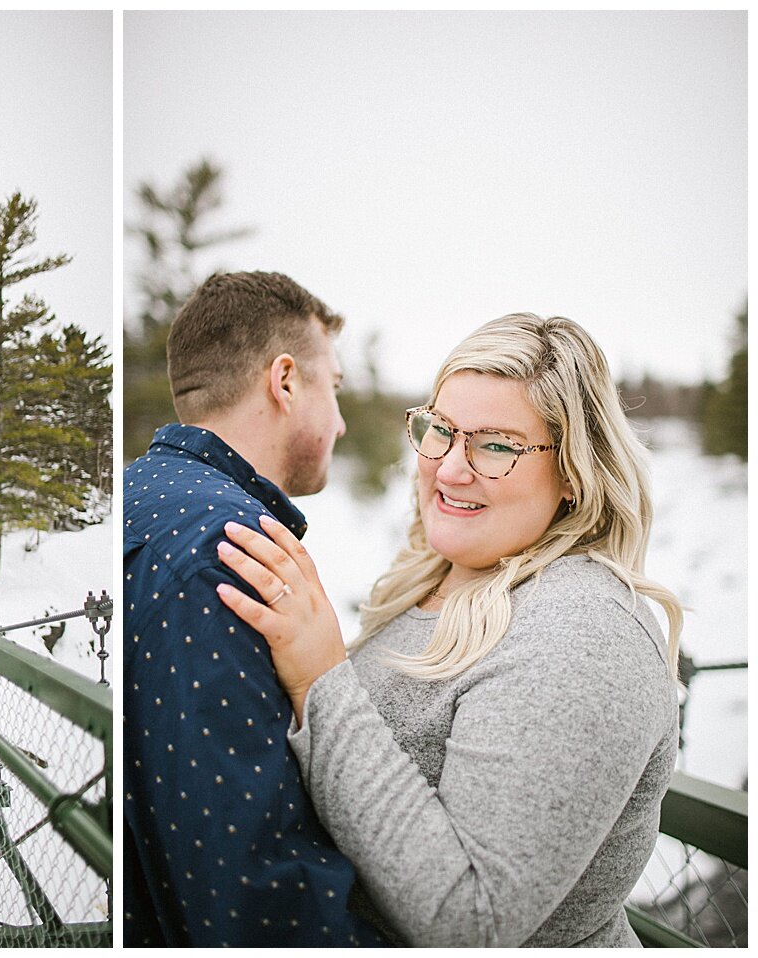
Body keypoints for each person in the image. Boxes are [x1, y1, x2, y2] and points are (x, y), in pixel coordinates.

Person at [217, 313, 682, 946]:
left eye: (495, 446)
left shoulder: (581, 633)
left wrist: (321, 678)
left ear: (573, 472)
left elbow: (473, 921)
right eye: (440, 431)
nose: (450, 469)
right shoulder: (447, 573)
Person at [124, 271, 385, 946]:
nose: (342, 419)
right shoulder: (232, 552)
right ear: (287, 380)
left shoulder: (137, 493)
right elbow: (256, 902)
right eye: (335, 387)